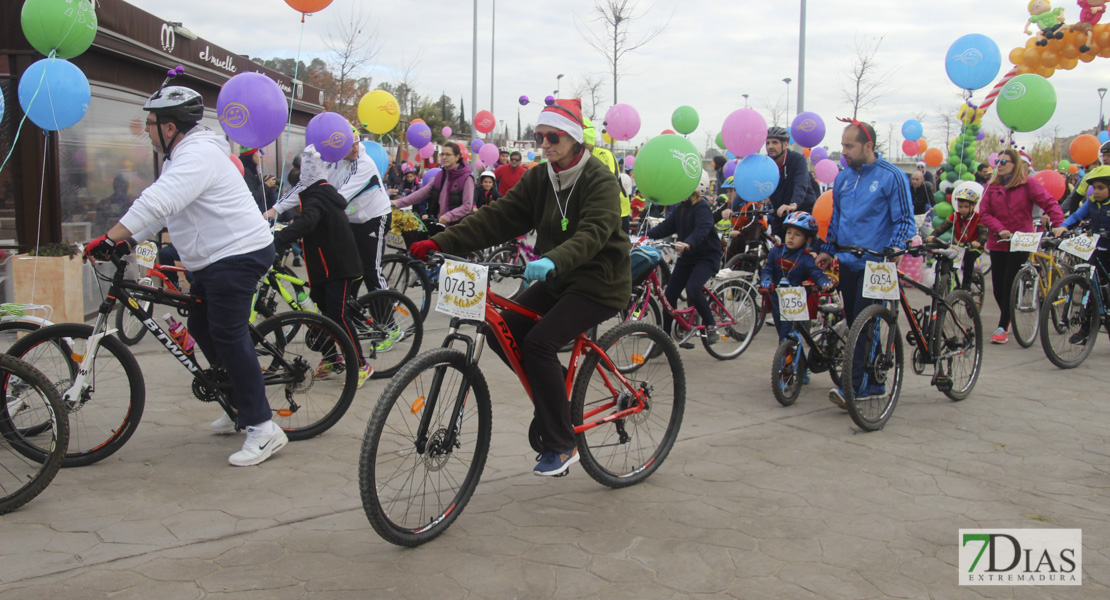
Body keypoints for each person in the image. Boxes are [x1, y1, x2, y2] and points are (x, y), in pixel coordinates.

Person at [407, 98, 631, 477]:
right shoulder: (540, 176)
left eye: (552, 136)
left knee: (539, 343)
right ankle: (559, 394)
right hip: (559, 276)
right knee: (502, 331)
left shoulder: (599, 180)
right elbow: (500, 216)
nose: (543, 144)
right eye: (539, 135)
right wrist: (442, 241)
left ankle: (562, 442)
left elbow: (594, 233)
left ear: (575, 139)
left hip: (599, 281)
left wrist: (554, 258)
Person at [84, 83, 283, 467]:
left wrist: (109, 237)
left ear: (170, 127)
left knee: (227, 331)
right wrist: (127, 241)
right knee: (201, 325)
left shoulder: (199, 154)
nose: (146, 129)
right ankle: (238, 401)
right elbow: (164, 210)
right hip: (211, 258)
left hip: (238, 253)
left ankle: (262, 427)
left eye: (151, 122)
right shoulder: (181, 158)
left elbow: (158, 200)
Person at [815, 119, 915, 409]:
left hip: (877, 264)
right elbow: (837, 218)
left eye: (849, 145)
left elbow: (905, 221)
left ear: (868, 146)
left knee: (863, 324)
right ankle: (874, 383)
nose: (843, 151)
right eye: (842, 145)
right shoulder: (843, 178)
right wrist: (828, 249)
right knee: (857, 323)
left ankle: (854, 386)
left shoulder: (892, 176)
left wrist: (895, 247)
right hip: (847, 260)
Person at [272, 146, 372, 387]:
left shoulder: (319, 195)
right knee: (319, 316)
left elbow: (309, 221)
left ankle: (360, 364)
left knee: (337, 315)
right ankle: (331, 357)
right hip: (322, 268)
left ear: (309, 174)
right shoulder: (313, 193)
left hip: (339, 266)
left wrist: (279, 238)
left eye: (302, 171)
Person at [267, 137, 392, 295]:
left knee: (370, 271)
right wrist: (275, 209)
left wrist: (311, 217)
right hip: (349, 218)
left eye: (357, 143)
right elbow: (306, 183)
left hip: (373, 217)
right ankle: (349, 310)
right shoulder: (329, 159)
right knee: (348, 270)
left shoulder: (363, 164)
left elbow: (337, 198)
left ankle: (385, 316)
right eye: (350, 145)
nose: (355, 148)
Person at [978, 148, 1065, 344]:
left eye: (1003, 162)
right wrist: (1000, 229)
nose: (998, 165)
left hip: (1022, 240)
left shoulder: (1028, 184)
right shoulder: (991, 186)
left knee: (1010, 283)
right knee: (999, 287)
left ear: (1014, 164)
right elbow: (984, 213)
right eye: (997, 162)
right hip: (999, 241)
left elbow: (1049, 202)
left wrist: (1060, 224)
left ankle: (1002, 326)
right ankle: (1008, 315)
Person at [645, 172, 722, 346]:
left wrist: (688, 243)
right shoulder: (682, 207)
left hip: (706, 257)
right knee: (669, 295)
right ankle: (663, 339)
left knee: (693, 289)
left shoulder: (702, 207)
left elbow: (702, 229)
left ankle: (711, 325)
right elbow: (666, 226)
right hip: (687, 257)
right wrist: (643, 236)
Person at [1051, 164, 1110, 344]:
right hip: (1096, 250)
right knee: (1090, 289)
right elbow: (1076, 216)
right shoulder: (1091, 203)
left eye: (1101, 188)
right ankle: (1085, 329)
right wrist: (1063, 226)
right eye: (1094, 188)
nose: (1097, 192)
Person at [761, 211, 834, 341]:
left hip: (796, 301)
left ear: (808, 239)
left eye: (797, 234)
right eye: (789, 233)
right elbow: (768, 269)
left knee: (787, 334)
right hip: (776, 298)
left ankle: (785, 360)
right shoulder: (775, 251)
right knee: (781, 330)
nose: (791, 237)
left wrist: (824, 282)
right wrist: (766, 280)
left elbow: (816, 272)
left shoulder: (807, 258)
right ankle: (788, 355)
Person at [392, 141, 474, 226]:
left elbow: (467, 206)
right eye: (442, 154)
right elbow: (421, 193)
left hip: (459, 227)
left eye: (448, 154)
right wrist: (398, 203)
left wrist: (448, 216)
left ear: (457, 157)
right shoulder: (440, 176)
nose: (444, 157)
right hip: (441, 226)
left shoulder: (467, 178)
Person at [926, 183, 988, 291]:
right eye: (960, 206)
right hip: (957, 247)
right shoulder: (955, 216)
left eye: (966, 207)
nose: (962, 210)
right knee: (944, 258)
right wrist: (933, 235)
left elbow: (983, 232)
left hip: (973, 247)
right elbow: (943, 226)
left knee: (969, 258)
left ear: (973, 206)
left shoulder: (978, 217)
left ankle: (966, 286)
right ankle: (943, 281)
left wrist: (979, 241)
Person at [764, 126, 817, 238]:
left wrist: (793, 204)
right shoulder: (765, 164)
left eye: (775, 142)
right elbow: (752, 183)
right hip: (781, 212)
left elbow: (801, 184)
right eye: (767, 143)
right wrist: (733, 207)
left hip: (801, 210)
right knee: (776, 247)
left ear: (785, 144)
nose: (770, 146)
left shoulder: (797, 160)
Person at [583, 118, 629, 233]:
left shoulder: (604, 155)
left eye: (582, 144)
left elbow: (607, 184)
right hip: (592, 212)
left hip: (618, 210)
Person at [239, 147, 277, 213]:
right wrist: (266, 185)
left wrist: (265, 183)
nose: (261, 156)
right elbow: (253, 197)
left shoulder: (251, 170)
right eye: (258, 152)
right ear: (249, 155)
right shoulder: (246, 172)